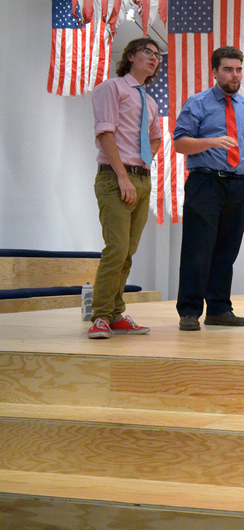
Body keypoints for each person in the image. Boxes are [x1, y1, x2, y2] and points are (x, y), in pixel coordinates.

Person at [173, 46, 244, 331]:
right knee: (198, 249)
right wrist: (211, 141)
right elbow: (180, 142)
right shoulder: (198, 103)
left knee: (226, 251)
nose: (234, 75)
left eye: (238, 69)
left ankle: (219, 308)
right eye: (228, 69)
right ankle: (190, 311)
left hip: (238, 186)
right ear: (215, 72)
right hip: (205, 182)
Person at [86, 38, 162, 339]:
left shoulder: (150, 101)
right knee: (115, 249)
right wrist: (122, 176)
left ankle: (116, 314)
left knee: (128, 252)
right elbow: (105, 133)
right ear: (130, 55)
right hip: (115, 177)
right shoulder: (112, 88)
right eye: (147, 52)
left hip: (142, 178)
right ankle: (101, 316)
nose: (154, 59)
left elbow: (156, 136)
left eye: (157, 55)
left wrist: (145, 160)